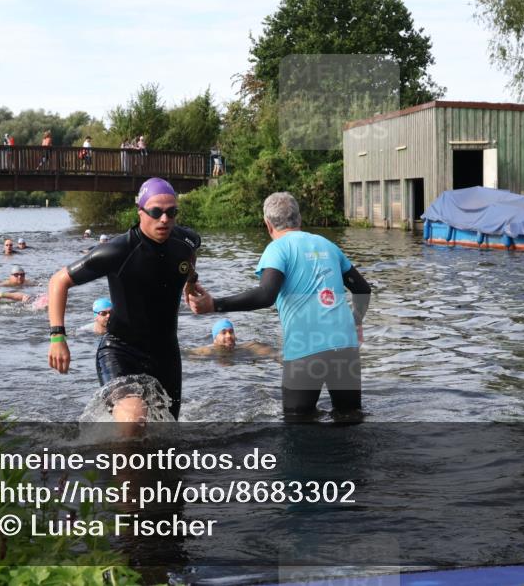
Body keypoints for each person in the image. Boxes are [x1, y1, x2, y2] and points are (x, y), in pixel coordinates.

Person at [188, 191, 370, 417]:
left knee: (298, 424)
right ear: (299, 219)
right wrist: (355, 322)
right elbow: (362, 289)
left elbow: (266, 295)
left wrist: (214, 305)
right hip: (344, 343)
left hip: (306, 347)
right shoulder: (327, 244)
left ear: (267, 224)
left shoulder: (277, 249)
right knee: (350, 417)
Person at [46, 177, 200, 422]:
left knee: (167, 434)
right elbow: (58, 281)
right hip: (121, 350)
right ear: (140, 212)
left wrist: (191, 283)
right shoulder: (117, 251)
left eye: (171, 213)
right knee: (132, 418)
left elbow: (189, 258)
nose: (164, 219)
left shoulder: (186, 240)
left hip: (166, 353)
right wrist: (57, 337)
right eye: (156, 212)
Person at [190, 318, 276, 358]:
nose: (228, 335)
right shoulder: (207, 350)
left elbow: (273, 353)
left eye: (231, 332)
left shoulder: (248, 346)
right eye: (223, 333)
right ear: (215, 339)